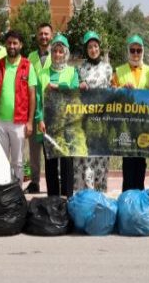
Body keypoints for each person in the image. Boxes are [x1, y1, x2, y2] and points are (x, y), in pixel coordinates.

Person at [0, 31, 38, 184]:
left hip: (19, 121)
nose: (12, 46)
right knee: (0, 161)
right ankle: (3, 194)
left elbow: (32, 96)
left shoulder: (27, 66)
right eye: (9, 43)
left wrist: (29, 122)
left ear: (21, 45)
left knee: (18, 161)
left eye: (15, 43)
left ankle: (17, 194)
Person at [112, 34, 149, 190]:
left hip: (144, 124)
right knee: (128, 163)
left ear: (142, 51)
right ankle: (127, 199)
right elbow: (110, 92)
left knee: (141, 162)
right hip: (125, 124)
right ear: (128, 51)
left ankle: (139, 199)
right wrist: (121, 89)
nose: (136, 54)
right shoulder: (119, 71)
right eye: (133, 50)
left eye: (138, 50)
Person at [75, 31, 113, 191]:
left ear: (99, 47)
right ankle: (88, 194)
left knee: (102, 158)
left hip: (104, 121)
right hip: (86, 121)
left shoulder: (108, 68)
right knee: (87, 159)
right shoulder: (80, 69)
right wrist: (79, 87)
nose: (93, 50)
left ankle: (101, 193)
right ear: (86, 50)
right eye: (90, 47)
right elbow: (75, 94)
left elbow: (112, 91)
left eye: (95, 46)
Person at [42, 34, 79, 197]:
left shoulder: (72, 71)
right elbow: (37, 98)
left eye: (60, 51)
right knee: (50, 163)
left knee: (66, 162)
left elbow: (74, 92)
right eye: (55, 51)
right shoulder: (43, 73)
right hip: (48, 123)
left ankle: (67, 198)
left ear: (66, 54)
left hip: (67, 123)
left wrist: (57, 86)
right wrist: (39, 119)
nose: (57, 55)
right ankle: (53, 200)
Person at [25, 22, 55, 194]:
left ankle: (54, 182)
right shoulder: (30, 57)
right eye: (41, 34)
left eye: (46, 34)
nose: (43, 36)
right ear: (37, 36)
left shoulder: (58, 54)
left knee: (52, 149)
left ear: (51, 35)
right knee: (34, 149)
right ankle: (35, 182)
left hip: (52, 111)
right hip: (34, 111)